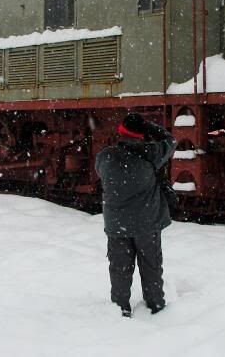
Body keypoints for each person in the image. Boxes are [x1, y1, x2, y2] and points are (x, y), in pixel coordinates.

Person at [94, 112, 176, 317]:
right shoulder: (153, 153)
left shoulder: (105, 156)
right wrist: (148, 126)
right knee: (151, 266)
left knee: (119, 268)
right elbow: (171, 140)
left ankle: (120, 307)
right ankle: (156, 305)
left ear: (121, 132)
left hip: (116, 224)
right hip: (147, 224)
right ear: (142, 134)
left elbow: (100, 173)